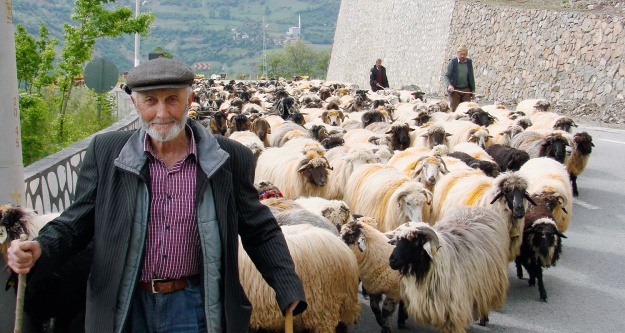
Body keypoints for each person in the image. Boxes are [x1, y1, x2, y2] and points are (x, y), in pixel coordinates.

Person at [7, 58, 307, 333]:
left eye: (172, 100)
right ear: (135, 104)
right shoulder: (106, 152)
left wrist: (286, 286)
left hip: (197, 303)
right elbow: (74, 224)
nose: (162, 113)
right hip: (125, 303)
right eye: (150, 101)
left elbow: (259, 228)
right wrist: (41, 248)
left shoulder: (230, 158)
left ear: (190, 100)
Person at [444, 45, 476, 112]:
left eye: (464, 54)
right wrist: (449, 85)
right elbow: (446, 76)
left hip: (466, 90)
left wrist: (473, 90)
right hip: (455, 90)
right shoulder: (452, 62)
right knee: (454, 110)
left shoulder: (469, 62)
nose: (462, 56)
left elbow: (471, 77)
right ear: (457, 53)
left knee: (466, 110)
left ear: (466, 54)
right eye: (461, 54)